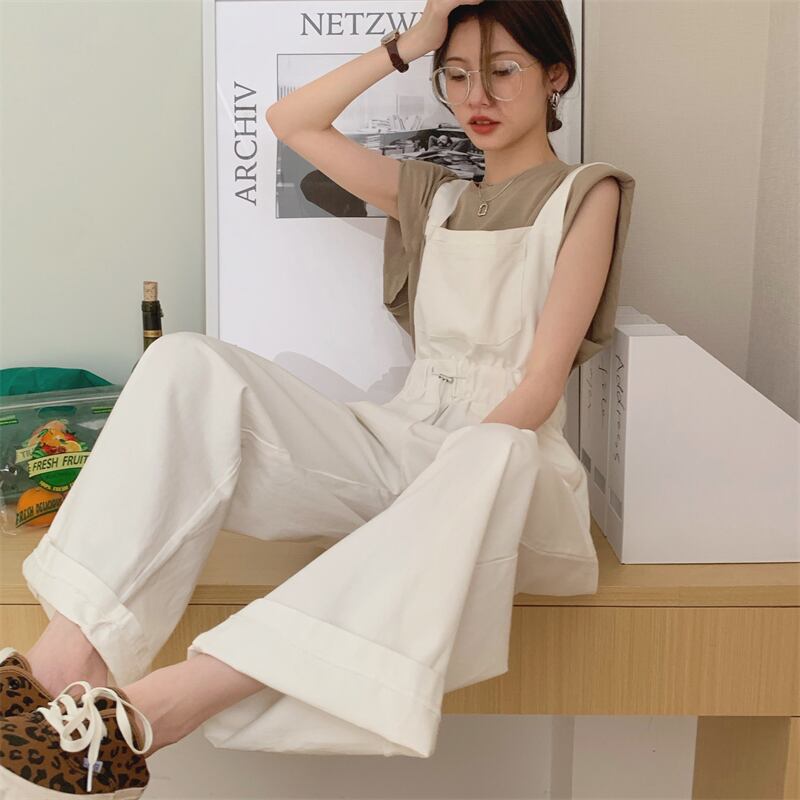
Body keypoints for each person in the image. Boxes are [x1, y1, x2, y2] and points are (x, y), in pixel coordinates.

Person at [0, 0, 634, 795]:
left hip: (510, 482)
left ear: (556, 75)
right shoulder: (433, 197)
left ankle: (165, 707)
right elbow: (291, 121)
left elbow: (538, 386)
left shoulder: (588, 193)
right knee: (186, 363)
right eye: (457, 75)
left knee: (490, 449)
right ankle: (60, 663)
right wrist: (412, 42)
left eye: (503, 71)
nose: (477, 96)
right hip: (408, 443)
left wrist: (435, 493)